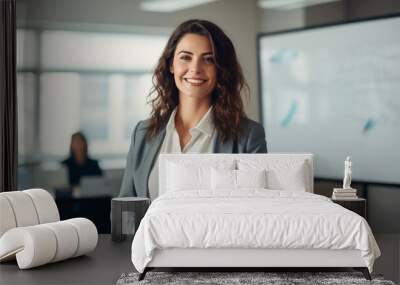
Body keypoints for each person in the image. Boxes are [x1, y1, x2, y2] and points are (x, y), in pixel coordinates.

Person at [119, 19, 267, 200]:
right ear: (171, 65)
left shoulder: (248, 136)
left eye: (208, 59)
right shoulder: (142, 134)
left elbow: (255, 211)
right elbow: (125, 211)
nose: (195, 68)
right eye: (185, 57)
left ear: (221, 69)